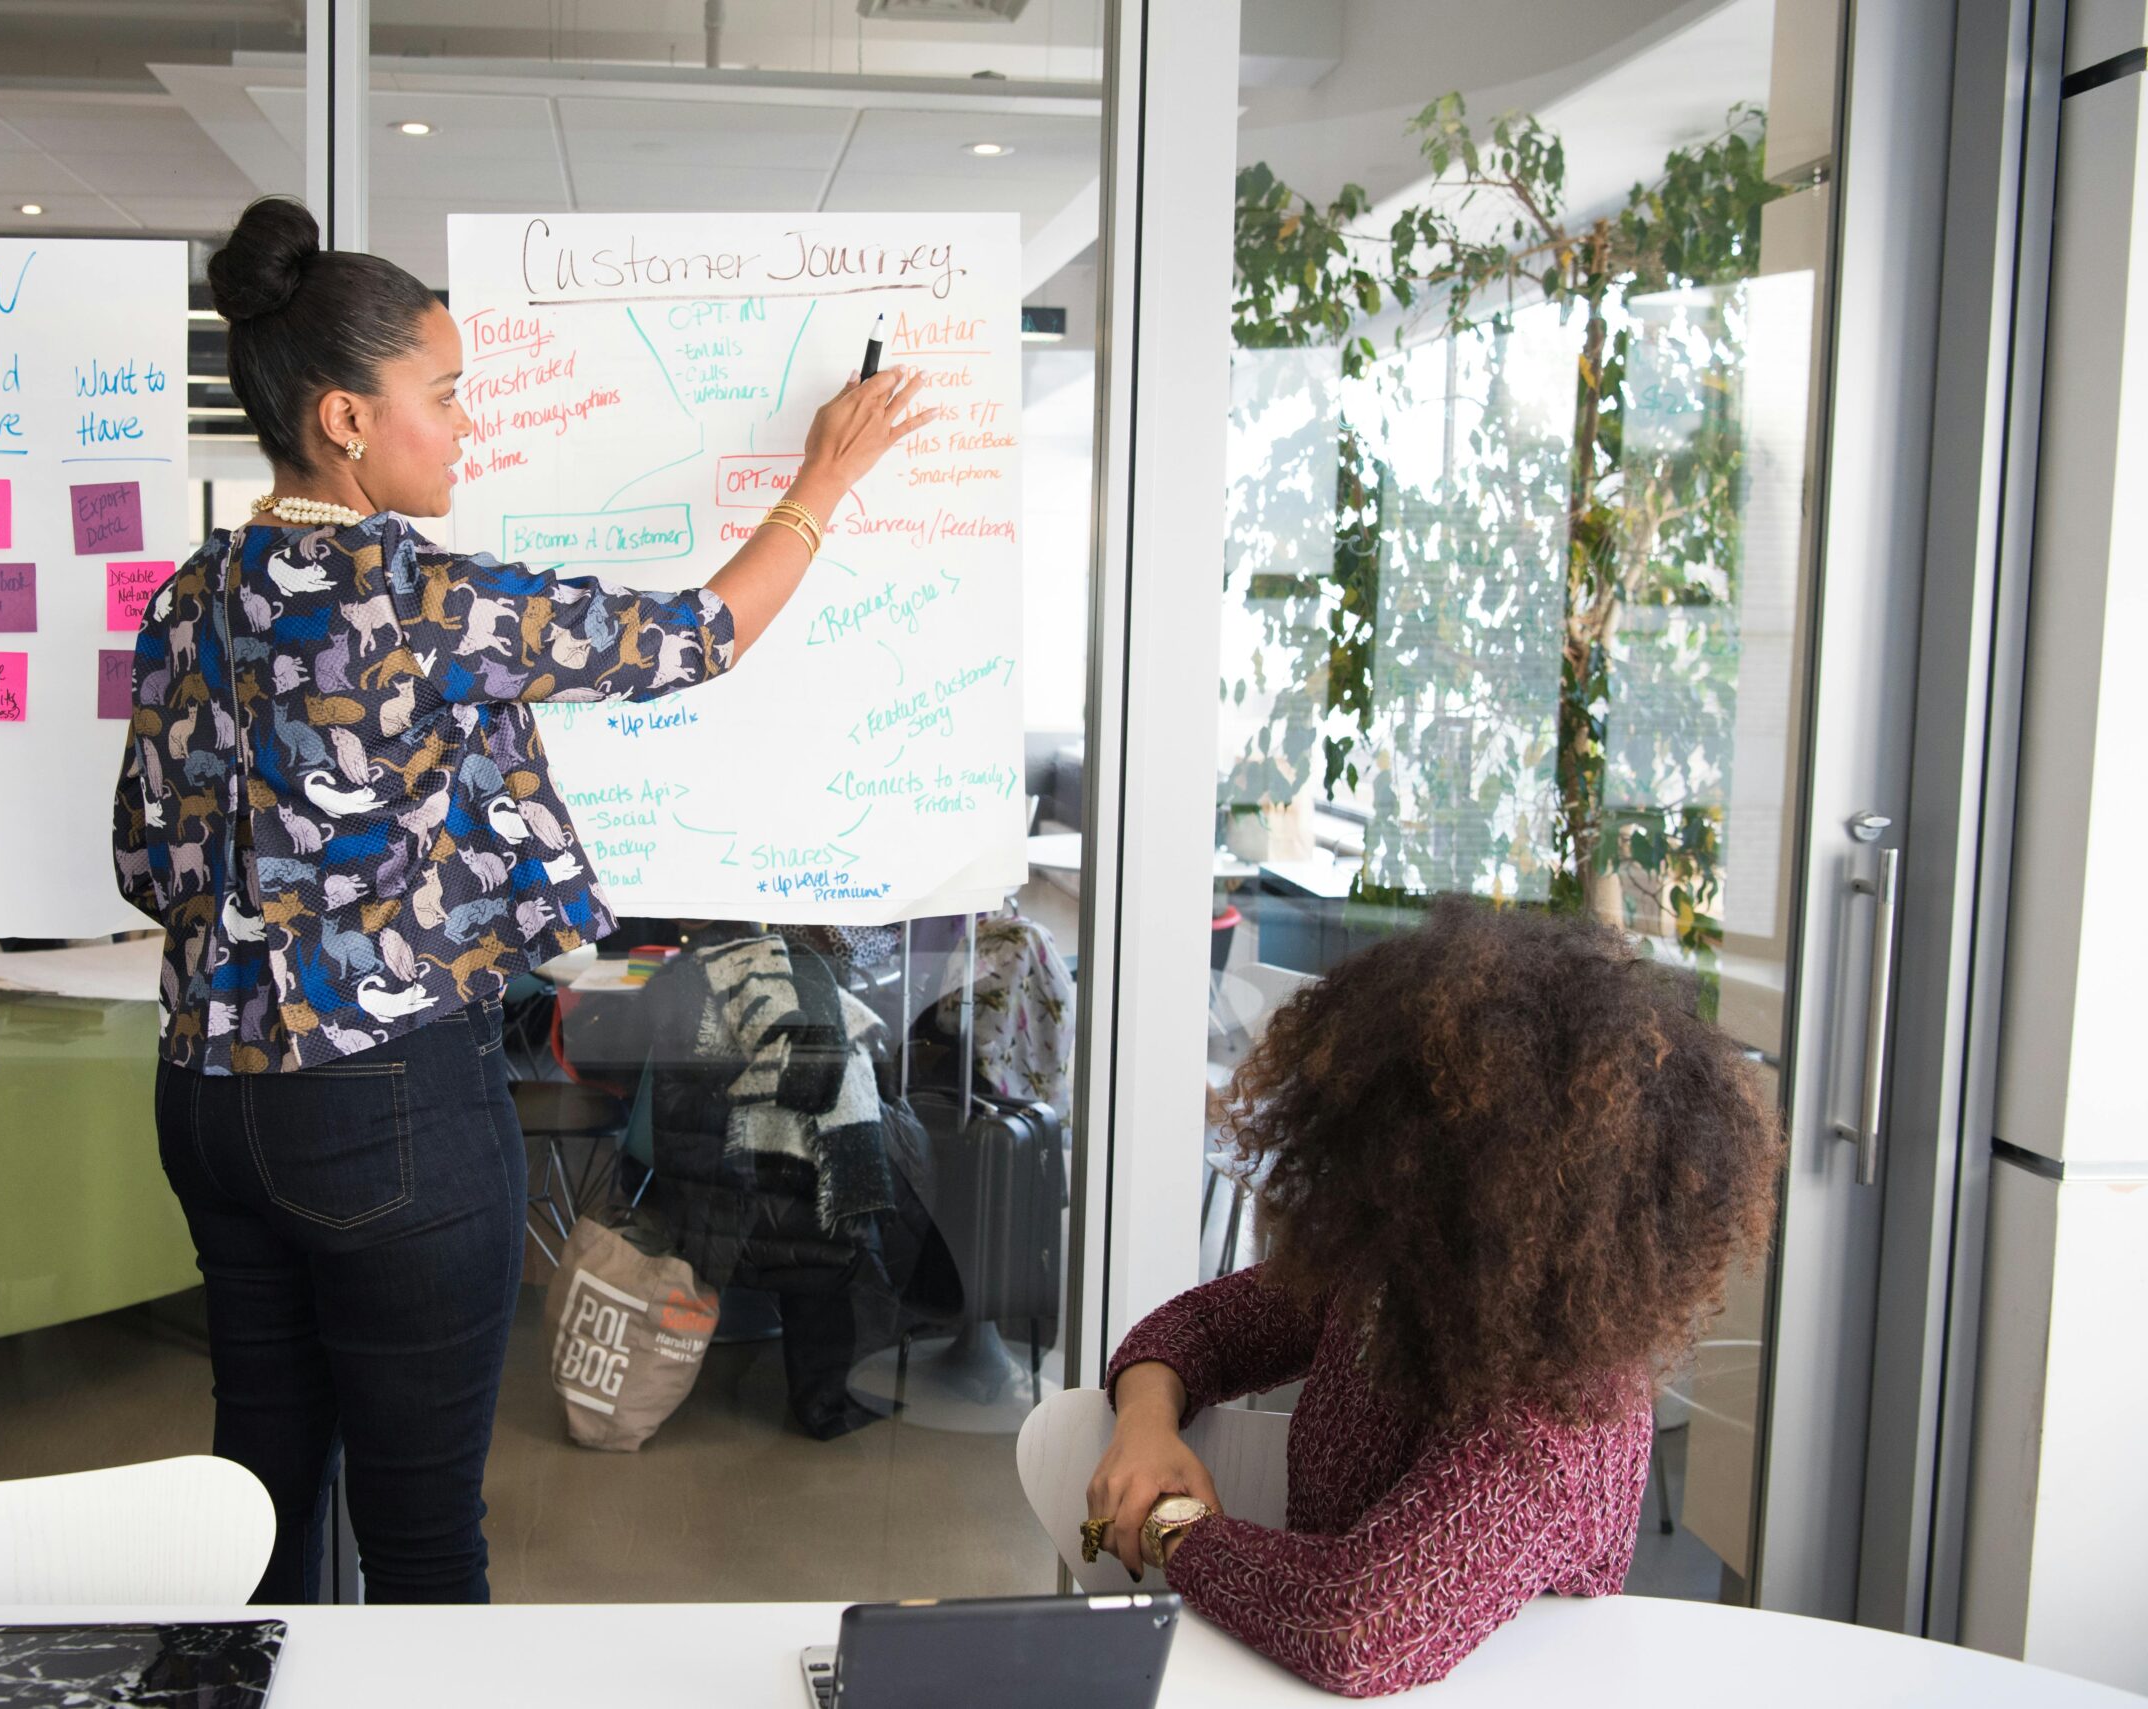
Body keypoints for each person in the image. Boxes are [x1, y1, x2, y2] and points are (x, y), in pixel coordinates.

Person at [111, 195, 933, 1603]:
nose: (467, 426)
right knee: (425, 1535)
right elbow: (696, 637)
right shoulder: (415, 596)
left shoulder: (187, 599)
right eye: (445, 396)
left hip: (208, 1100)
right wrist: (825, 480)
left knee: (260, 1503)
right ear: (346, 419)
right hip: (385, 1114)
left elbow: (141, 857)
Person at [1085, 901, 1780, 1696]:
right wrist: (1144, 1431)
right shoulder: (1398, 1277)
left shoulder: (1562, 1422)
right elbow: (1197, 1325)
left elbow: (1353, 1626)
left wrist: (1173, 1527)